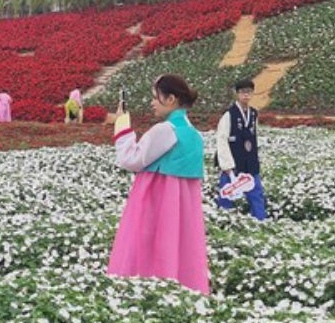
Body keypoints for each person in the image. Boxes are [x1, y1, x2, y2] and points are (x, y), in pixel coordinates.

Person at [108, 74, 210, 295]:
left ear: (170, 99)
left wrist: (121, 125)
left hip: (157, 199)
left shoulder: (165, 130)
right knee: (178, 246)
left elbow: (130, 159)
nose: (152, 103)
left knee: (149, 247)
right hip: (182, 205)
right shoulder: (193, 133)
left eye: (156, 97)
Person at [215, 79, 267, 221]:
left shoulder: (254, 114)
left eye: (249, 92)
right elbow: (221, 139)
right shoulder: (229, 115)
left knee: (256, 194)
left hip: (250, 162)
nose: (246, 95)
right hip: (233, 163)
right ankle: (222, 222)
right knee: (227, 195)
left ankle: (260, 221)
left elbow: (255, 136)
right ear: (237, 94)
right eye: (243, 92)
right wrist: (226, 165)